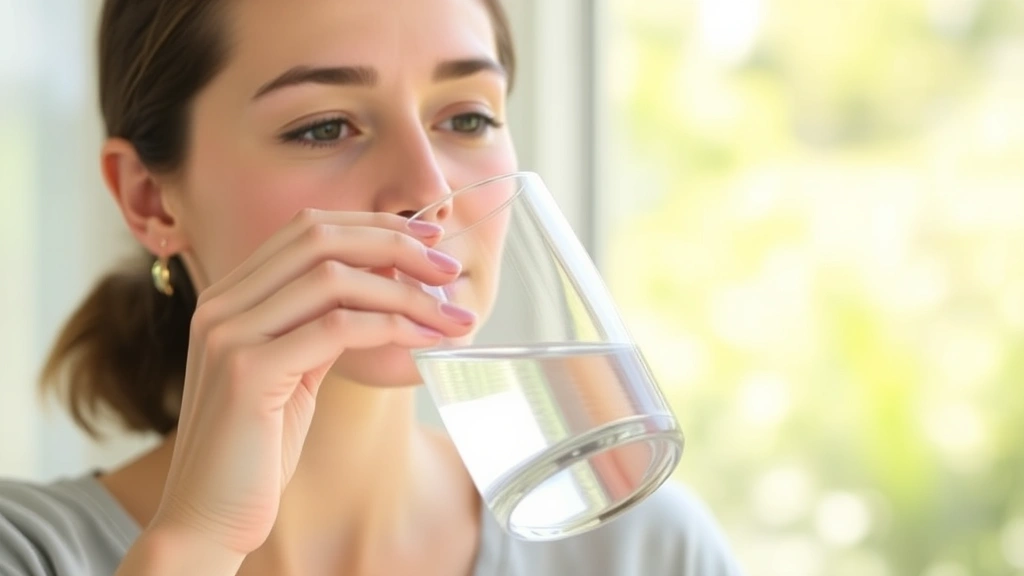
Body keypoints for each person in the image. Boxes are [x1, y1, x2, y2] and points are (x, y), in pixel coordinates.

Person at [0, 0, 745, 574]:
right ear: (150, 201)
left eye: (467, 116)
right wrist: (199, 539)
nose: (427, 190)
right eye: (324, 127)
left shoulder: (640, 550)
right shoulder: (29, 553)